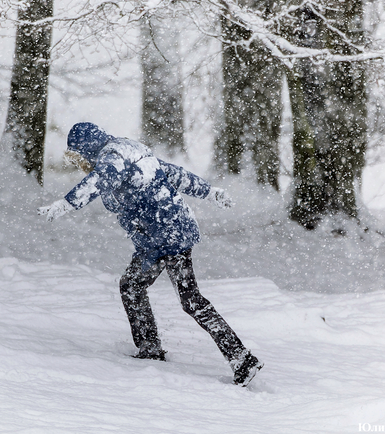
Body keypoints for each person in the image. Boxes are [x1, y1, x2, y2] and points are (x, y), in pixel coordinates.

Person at [38, 122, 263, 386]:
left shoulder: (113, 159)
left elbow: (99, 181)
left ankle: (241, 358)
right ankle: (150, 349)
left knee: (190, 300)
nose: (80, 164)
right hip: (156, 238)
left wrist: (65, 205)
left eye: (78, 157)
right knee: (132, 285)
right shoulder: (127, 151)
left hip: (167, 235)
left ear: (87, 148)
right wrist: (210, 192)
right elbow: (173, 174)